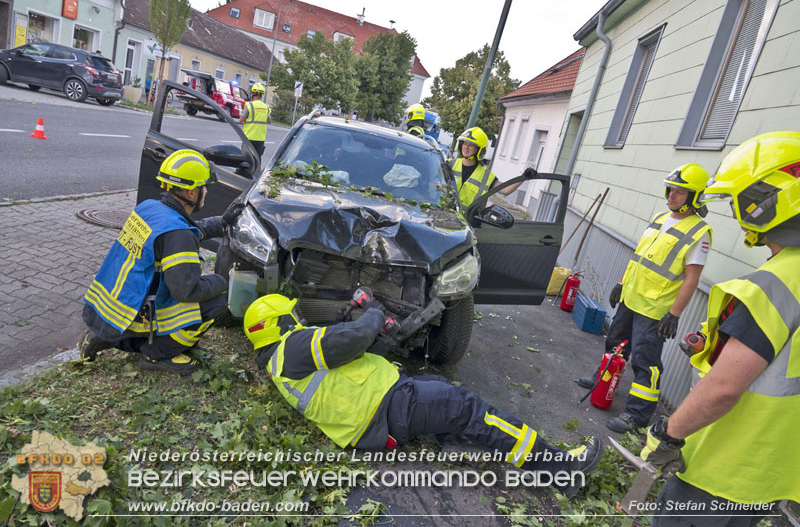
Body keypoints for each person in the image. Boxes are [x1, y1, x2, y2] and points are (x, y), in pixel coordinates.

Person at [244, 292, 603, 498]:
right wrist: (371, 315)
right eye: (291, 313)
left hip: (375, 419)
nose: (298, 316)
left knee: (441, 387)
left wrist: (345, 321)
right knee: (470, 407)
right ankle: (562, 470)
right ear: (280, 323)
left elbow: (338, 355)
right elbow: (352, 340)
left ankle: (458, 437)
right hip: (389, 408)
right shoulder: (293, 346)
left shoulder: (279, 364)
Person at [638, 131, 800, 524]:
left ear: (766, 202)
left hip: (721, 470)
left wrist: (669, 434)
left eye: (738, 200)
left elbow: (725, 388)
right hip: (772, 473)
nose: (733, 212)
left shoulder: (776, 284)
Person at [79, 149, 243, 375]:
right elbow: (186, 291)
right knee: (218, 301)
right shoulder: (177, 233)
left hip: (108, 311)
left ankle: (101, 337)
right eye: (203, 186)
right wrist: (224, 281)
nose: (206, 191)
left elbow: (181, 233)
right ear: (191, 192)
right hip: (136, 314)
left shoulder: (150, 208)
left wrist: (221, 222)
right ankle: (157, 355)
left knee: (173, 289)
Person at [578, 164, 712, 433]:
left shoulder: (699, 232)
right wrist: (620, 284)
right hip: (631, 297)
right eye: (671, 189)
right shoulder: (661, 218)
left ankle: (637, 415)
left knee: (645, 361)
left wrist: (674, 314)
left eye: (680, 192)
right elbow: (639, 257)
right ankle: (602, 380)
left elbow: (691, 280)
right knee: (615, 343)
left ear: (695, 197)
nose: (672, 195)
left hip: (655, 309)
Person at [449, 126, 531, 210]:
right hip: (444, 216)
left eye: (471, 145)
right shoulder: (449, 164)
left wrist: (523, 177)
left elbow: (505, 190)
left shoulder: (486, 176)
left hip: (467, 221)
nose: (466, 147)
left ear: (479, 149)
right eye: (465, 143)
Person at [239, 82, 271, 158]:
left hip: (249, 137)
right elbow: (269, 121)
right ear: (261, 94)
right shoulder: (266, 107)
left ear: (253, 93)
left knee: (246, 159)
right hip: (260, 138)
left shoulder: (249, 105)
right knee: (257, 159)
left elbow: (241, 120)